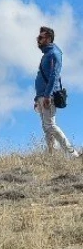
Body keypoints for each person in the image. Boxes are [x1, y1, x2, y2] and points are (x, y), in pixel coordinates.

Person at [34, 26, 77, 156]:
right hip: (42, 96)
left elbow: (54, 75)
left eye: (41, 37)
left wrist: (47, 95)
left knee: (50, 125)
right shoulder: (47, 54)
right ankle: (52, 154)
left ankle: (72, 153)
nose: (38, 39)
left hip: (49, 96)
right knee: (46, 127)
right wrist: (37, 98)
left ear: (48, 38)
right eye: (38, 37)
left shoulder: (54, 53)